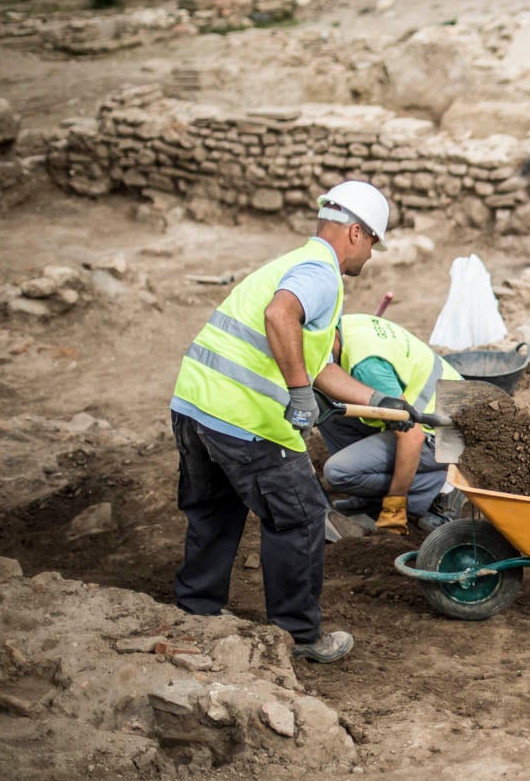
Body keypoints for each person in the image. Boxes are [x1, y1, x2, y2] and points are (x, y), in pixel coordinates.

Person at [168, 181, 413, 664]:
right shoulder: (321, 273)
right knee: (301, 518)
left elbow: (319, 365)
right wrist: (299, 393)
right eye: (374, 244)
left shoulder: (288, 263)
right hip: (247, 419)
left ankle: (195, 612)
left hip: (196, 405)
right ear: (357, 234)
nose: (371, 256)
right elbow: (280, 315)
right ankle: (299, 636)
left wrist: (381, 399)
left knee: (214, 512)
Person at [319, 313, 464, 534]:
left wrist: (394, 506)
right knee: (329, 408)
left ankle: (444, 485)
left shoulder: (367, 367)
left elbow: (411, 436)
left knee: (338, 472)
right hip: (443, 408)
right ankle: (368, 496)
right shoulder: (347, 326)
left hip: (444, 434)